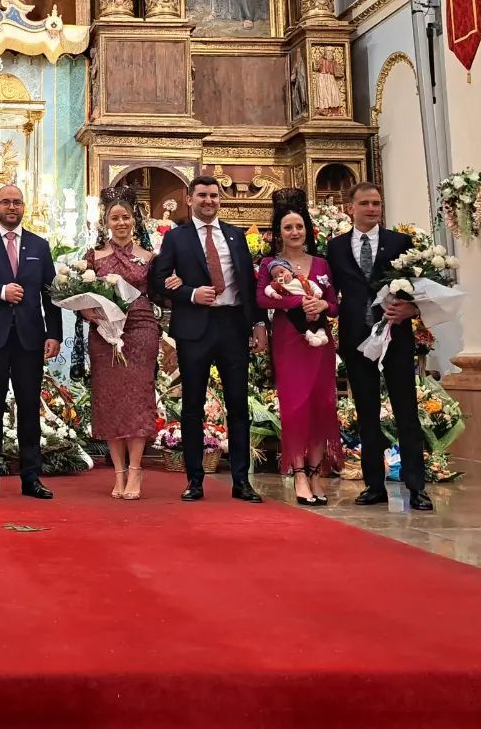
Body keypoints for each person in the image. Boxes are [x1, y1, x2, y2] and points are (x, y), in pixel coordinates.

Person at [150, 176, 267, 503]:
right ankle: (195, 480)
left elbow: (248, 282)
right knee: (191, 407)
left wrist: (258, 323)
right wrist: (189, 293)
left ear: (220, 199)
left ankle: (242, 481)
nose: (209, 200)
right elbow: (157, 280)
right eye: (202, 195)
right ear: (190, 199)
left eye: (214, 195)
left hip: (233, 326)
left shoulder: (235, 235)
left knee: (238, 406)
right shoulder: (176, 238)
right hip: (195, 329)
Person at [327, 182, 432, 511]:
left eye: (377, 203)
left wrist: (412, 310)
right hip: (358, 339)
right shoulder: (337, 247)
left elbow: (423, 289)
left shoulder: (400, 243)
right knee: (367, 413)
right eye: (366, 203)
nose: (372, 208)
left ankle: (417, 487)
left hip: (396, 337)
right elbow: (331, 291)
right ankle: (374, 485)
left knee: (406, 412)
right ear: (351, 207)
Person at [0, 184, 62, 499]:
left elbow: (51, 294)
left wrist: (54, 333)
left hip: (30, 339)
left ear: (24, 207)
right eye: (5, 202)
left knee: (30, 409)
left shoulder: (39, 245)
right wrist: (0, 291)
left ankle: (31, 477)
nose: (11, 207)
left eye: (17, 202)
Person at [255, 197, 342, 507]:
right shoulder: (270, 264)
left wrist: (323, 306)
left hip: (321, 344)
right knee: (295, 407)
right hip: (290, 341)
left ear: (308, 230)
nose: (294, 232)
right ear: (279, 232)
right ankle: (300, 474)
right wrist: (297, 303)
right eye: (288, 227)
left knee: (321, 405)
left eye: (299, 226)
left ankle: (317, 473)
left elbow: (334, 303)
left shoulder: (321, 264)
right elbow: (263, 300)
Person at [83, 186, 160, 501]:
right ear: (106, 221)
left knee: (137, 398)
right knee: (110, 399)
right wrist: (92, 314)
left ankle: (137, 468)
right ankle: (118, 471)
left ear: (134, 219)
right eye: (115, 217)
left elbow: (159, 295)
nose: (121, 222)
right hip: (103, 332)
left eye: (126, 217)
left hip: (140, 329)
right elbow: (80, 297)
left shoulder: (149, 257)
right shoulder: (94, 257)